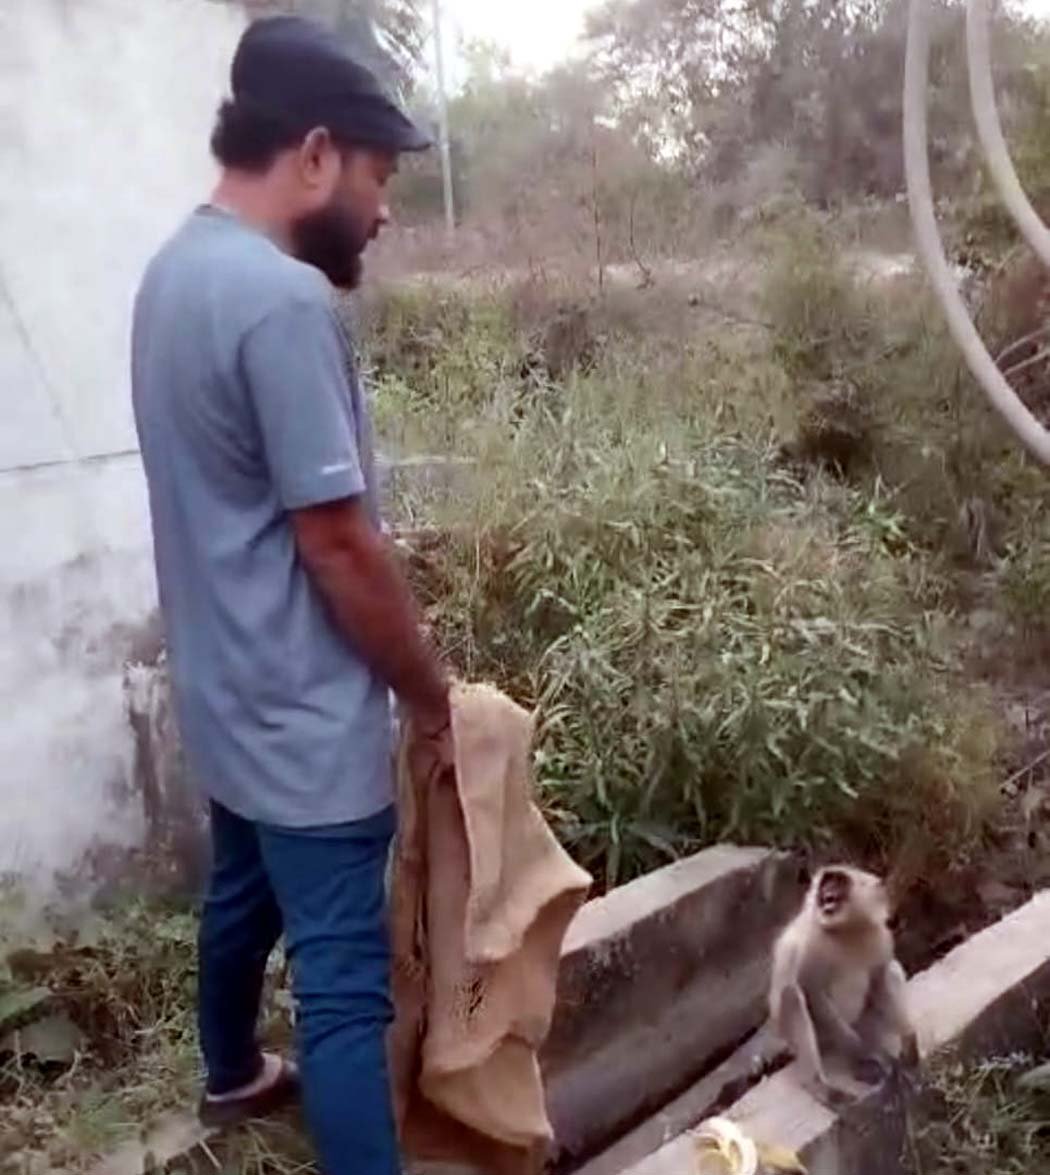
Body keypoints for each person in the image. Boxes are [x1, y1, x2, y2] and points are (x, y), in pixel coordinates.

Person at [130, 15, 449, 1175]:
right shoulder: (282, 303)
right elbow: (340, 542)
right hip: (306, 718)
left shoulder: (173, 272)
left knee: (243, 886)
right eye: (379, 176)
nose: (383, 210)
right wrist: (429, 689)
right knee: (346, 988)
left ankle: (230, 1069)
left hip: (224, 694)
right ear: (316, 154)